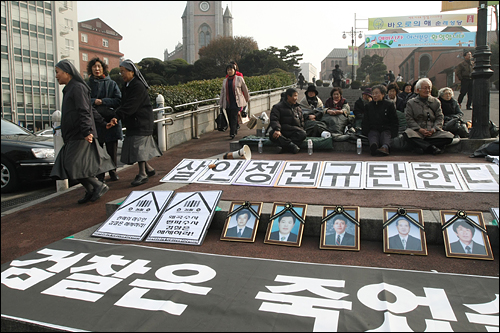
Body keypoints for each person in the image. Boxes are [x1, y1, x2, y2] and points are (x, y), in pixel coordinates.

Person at [50, 60, 115, 204]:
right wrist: (103, 124)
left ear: (67, 72)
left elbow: (84, 110)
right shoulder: (70, 88)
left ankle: (98, 185)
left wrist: (87, 131)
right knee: (70, 166)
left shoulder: (77, 88)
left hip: (80, 135)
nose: (56, 76)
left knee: (73, 165)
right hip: (73, 135)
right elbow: (91, 110)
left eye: (57, 72)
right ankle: (90, 189)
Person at [110, 59, 162, 187]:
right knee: (136, 148)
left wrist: (117, 115)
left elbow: (131, 105)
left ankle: (142, 174)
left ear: (132, 72)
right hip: (134, 122)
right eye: (120, 72)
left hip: (141, 122)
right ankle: (148, 169)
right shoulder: (128, 86)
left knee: (139, 149)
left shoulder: (137, 86)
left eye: (123, 72)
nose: (121, 74)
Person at [87, 57, 122, 183]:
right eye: (94, 67)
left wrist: (103, 101)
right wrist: (93, 101)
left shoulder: (112, 83)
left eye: (99, 66)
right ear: (91, 69)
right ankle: (100, 174)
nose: (97, 69)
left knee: (112, 149)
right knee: (98, 149)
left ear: (103, 68)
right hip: (96, 122)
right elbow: (84, 100)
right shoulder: (88, 84)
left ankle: (113, 172)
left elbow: (118, 100)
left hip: (111, 120)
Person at [404, 78, 454, 155]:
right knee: (407, 134)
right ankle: (431, 148)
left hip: (433, 132)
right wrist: (420, 130)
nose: (427, 90)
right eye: (424, 88)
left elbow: (440, 117)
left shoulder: (436, 102)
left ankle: (422, 146)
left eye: (429, 88)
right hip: (417, 132)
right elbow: (409, 119)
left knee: (449, 137)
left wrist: (433, 129)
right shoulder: (411, 103)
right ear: (418, 90)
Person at [362, 85, 399, 156]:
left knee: (386, 136)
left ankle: (385, 148)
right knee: (373, 136)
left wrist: (394, 133)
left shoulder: (389, 105)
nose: (374, 95)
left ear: (383, 94)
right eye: (373, 93)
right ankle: (373, 147)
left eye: (377, 93)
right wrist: (365, 131)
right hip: (373, 128)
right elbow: (365, 120)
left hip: (386, 128)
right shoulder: (368, 106)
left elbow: (394, 120)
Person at [269, 88, 306, 154]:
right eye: (294, 96)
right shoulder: (277, 107)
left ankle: (284, 147)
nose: (296, 98)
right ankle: (292, 146)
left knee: (302, 134)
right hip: (282, 131)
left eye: (297, 96)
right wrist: (277, 129)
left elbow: (301, 121)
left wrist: (301, 129)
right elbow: (274, 119)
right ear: (288, 96)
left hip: (294, 131)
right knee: (272, 134)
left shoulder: (298, 108)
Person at [219, 64, 250, 140]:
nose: (229, 71)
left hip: (237, 102)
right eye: (228, 70)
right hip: (228, 102)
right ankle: (235, 128)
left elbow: (245, 89)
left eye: (231, 69)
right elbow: (222, 92)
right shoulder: (225, 81)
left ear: (234, 70)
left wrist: (246, 99)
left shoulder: (239, 79)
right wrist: (221, 103)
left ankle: (232, 132)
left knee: (234, 116)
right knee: (230, 117)